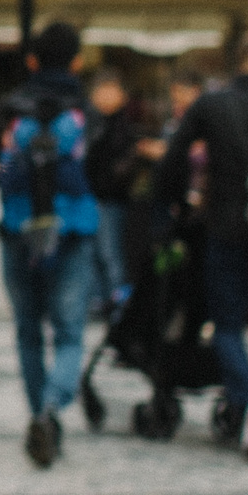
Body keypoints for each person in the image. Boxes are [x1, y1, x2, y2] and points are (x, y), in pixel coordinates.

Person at [156, 33, 248, 463]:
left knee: (227, 326)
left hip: (225, 228)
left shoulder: (211, 105)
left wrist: (175, 204)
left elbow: (174, 159)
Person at [0, 21, 98, 470]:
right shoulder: (88, 112)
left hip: (19, 229)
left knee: (28, 330)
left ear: (32, 60)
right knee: (71, 331)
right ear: (77, 61)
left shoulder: (8, 109)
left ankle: (38, 412)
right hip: (74, 230)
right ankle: (52, 409)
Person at [84, 66, 152, 320]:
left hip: (111, 200)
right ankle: (100, 303)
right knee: (92, 254)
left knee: (110, 255)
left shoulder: (121, 125)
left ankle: (116, 308)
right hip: (93, 197)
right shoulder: (89, 122)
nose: (106, 97)